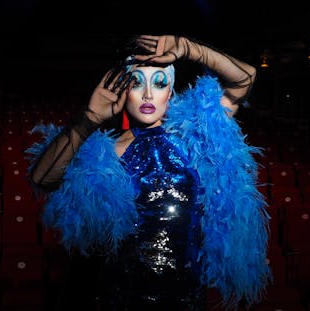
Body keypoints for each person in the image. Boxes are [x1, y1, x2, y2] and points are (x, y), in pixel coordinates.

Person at [25, 34, 271, 310]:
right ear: (122, 89)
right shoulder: (106, 152)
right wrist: (90, 117)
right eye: (136, 83)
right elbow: (42, 178)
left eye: (159, 82)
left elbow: (245, 78)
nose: (147, 94)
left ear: (171, 91)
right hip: (122, 296)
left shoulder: (193, 137)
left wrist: (190, 48)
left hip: (186, 295)